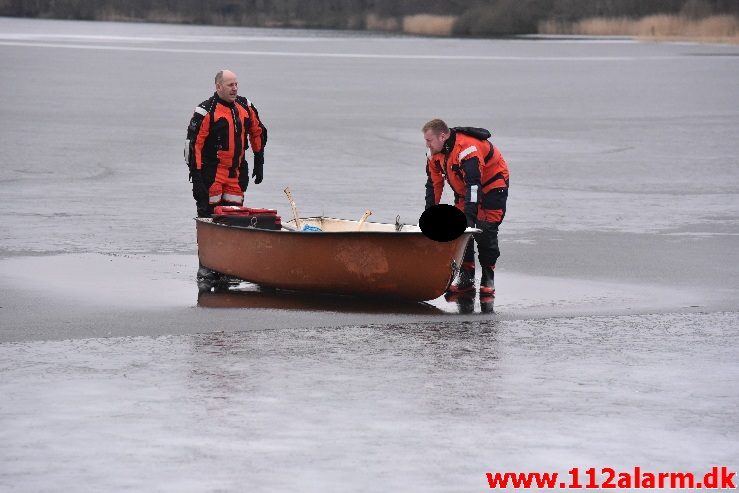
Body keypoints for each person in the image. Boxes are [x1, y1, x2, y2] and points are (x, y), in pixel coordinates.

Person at [423, 118, 509, 298]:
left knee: (484, 229)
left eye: (429, 140)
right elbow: (433, 184)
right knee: (460, 230)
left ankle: (488, 278)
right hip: (466, 191)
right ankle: (467, 278)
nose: (427, 145)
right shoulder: (434, 153)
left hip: (492, 187)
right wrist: (429, 216)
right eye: (426, 140)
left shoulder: (467, 148)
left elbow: (474, 185)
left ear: (443, 136)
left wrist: (470, 217)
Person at [185, 69, 267, 217]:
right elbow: (193, 146)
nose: (234, 88)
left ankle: (231, 240)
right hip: (211, 175)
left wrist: (259, 161)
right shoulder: (205, 111)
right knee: (209, 216)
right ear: (218, 87)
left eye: (236, 84)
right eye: (230, 85)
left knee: (234, 218)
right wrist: (196, 178)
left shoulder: (246, 106)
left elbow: (258, 132)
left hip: (236, 174)